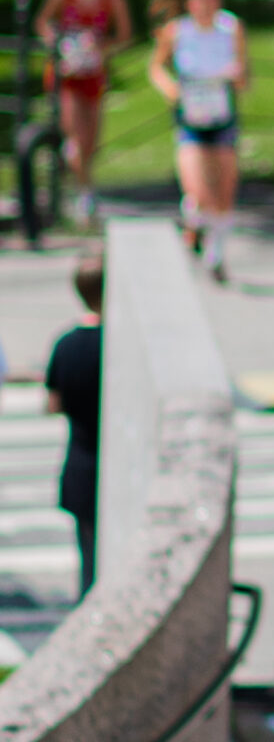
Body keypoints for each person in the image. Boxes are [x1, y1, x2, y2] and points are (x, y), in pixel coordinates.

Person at [148, 0, 249, 283]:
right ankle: (193, 221)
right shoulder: (179, 31)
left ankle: (215, 252)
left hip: (220, 112)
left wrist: (238, 76)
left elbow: (242, 70)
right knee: (198, 189)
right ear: (190, 4)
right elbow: (156, 67)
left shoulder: (230, 29)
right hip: (191, 114)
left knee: (225, 185)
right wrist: (170, 88)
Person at [36, 0, 133, 222]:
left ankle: (77, 176)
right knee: (76, 137)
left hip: (93, 73)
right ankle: (85, 192)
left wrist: (103, 48)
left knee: (92, 140)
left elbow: (124, 35)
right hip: (66, 75)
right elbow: (43, 23)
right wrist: (56, 41)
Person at [45, 249, 104, 600]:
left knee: (88, 561)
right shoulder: (120, 344)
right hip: (115, 465)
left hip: (80, 463)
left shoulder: (66, 345)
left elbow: (53, 404)